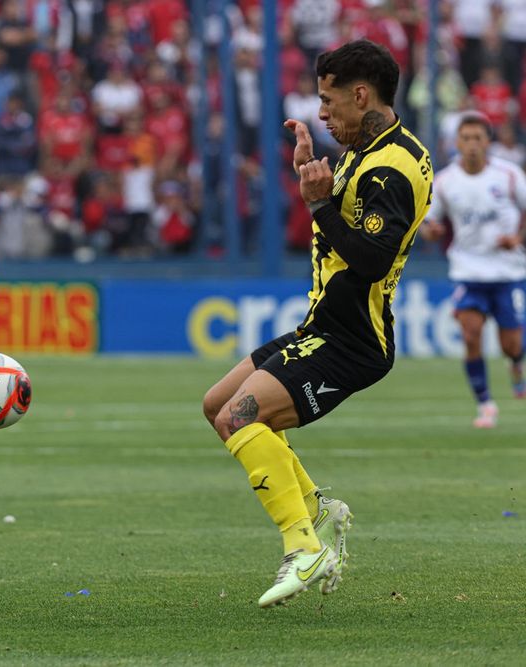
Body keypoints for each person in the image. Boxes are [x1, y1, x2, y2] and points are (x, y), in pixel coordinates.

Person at [201, 40, 433, 608]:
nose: (322, 114)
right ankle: (320, 513)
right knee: (218, 405)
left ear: (362, 95)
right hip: (322, 325)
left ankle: (303, 545)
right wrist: (312, 170)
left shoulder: (392, 169)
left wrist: (318, 205)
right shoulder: (368, 145)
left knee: (241, 416)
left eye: (329, 102)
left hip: (353, 340)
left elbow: (373, 257)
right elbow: (342, 206)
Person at [420, 113, 526, 428]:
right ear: (457, 143)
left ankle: (516, 364)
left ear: (487, 142)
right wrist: (432, 232)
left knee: (511, 345)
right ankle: (485, 404)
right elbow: (428, 223)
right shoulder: (446, 181)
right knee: (470, 334)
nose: (472, 145)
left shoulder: (508, 175)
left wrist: (517, 239)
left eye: (478, 138)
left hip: (508, 272)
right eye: (465, 138)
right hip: (467, 270)